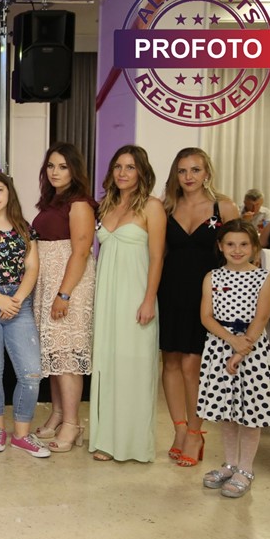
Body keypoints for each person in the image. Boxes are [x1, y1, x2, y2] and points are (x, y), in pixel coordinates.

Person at [157, 148, 238, 467]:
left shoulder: (224, 207)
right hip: (170, 291)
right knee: (170, 362)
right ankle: (179, 430)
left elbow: (239, 251)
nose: (188, 176)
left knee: (193, 365)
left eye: (195, 170)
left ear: (207, 173)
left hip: (207, 296)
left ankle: (195, 432)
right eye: (182, 171)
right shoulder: (167, 207)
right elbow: (159, 254)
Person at [90, 145, 166, 462]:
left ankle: (132, 444)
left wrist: (148, 300)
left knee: (134, 368)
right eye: (118, 166)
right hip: (106, 298)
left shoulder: (152, 206)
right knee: (107, 366)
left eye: (130, 167)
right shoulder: (105, 206)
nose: (123, 173)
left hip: (136, 297)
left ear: (141, 172)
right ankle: (107, 440)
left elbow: (157, 257)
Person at [0, 172, 49, 458]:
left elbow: (32, 268)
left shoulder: (25, 228)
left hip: (19, 304)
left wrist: (16, 300)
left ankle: (22, 435)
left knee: (31, 373)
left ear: (9, 193)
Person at [198, 219, 270, 497]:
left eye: (244, 244)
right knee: (226, 412)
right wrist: (231, 341)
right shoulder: (212, 277)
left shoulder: (263, 278)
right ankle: (230, 464)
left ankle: (245, 469)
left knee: (250, 413)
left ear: (254, 247)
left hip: (252, 352)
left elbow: (261, 317)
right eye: (230, 244)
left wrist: (242, 350)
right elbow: (206, 317)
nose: (237, 250)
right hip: (220, 348)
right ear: (221, 246)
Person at [31, 144, 98, 453]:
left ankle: (73, 423)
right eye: (51, 166)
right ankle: (58, 414)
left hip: (69, 284)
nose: (55, 172)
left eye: (62, 167)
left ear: (74, 170)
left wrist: (65, 293)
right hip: (48, 284)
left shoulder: (80, 203)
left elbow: (81, 252)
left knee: (68, 355)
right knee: (54, 354)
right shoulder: (52, 201)